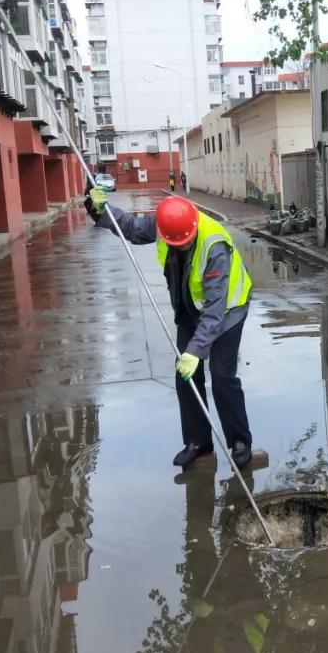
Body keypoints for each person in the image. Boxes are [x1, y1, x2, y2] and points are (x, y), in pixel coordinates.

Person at [86, 188, 255, 468]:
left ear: (192, 229)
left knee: (222, 376)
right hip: (191, 309)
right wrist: (102, 211)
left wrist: (196, 351)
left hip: (228, 311)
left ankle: (239, 441)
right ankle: (198, 442)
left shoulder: (214, 247)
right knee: (186, 378)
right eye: (174, 242)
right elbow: (129, 227)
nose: (179, 247)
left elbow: (214, 312)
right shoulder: (166, 223)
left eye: (184, 243)